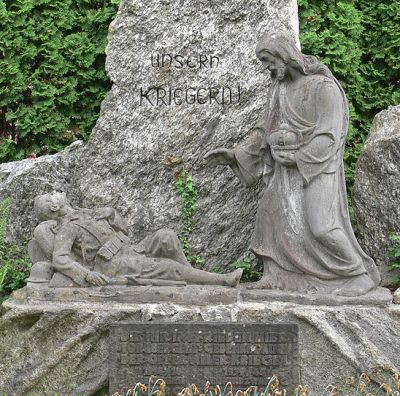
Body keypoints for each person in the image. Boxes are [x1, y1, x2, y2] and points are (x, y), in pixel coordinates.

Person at [205, 32, 380, 295]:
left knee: (321, 226)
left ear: (283, 55)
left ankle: (359, 273)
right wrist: (236, 154)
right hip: (285, 171)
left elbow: (329, 135)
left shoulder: (324, 88)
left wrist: (299, 156)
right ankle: (277, 275)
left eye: (267, 59)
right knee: (269, 213)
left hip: (317, 167)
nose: (266, 67)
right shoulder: (280, 89)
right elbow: (265, 128)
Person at [28, 192, 242, 288]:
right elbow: (60, 259)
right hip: (114, 264)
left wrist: (112, 214)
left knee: (166, 236)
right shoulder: (68, 227)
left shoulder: (87, 212)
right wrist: (87, 275)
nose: (56, 193)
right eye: (51, 196)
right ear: (54, 207)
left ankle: (193, 277)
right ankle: (220, 280)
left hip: (129, 248)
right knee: (167, 267)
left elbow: (124, 231)